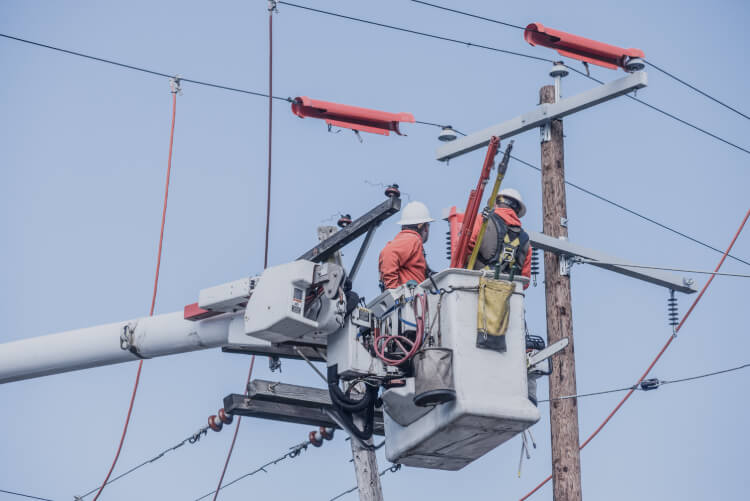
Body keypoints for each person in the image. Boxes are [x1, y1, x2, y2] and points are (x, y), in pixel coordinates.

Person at [467, 188, 531, 288]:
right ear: (517, 212)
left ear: (496, 204)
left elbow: (466, 248)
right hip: (507, 296)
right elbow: (525, 282)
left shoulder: (483, 220)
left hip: (476, 287)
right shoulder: (525, 240)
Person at [378, 201, 434, 290]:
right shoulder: (411, 239)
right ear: (425, 227)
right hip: (408, 300)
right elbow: (388, 253)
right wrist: (393, 290)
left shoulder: (409, 241)